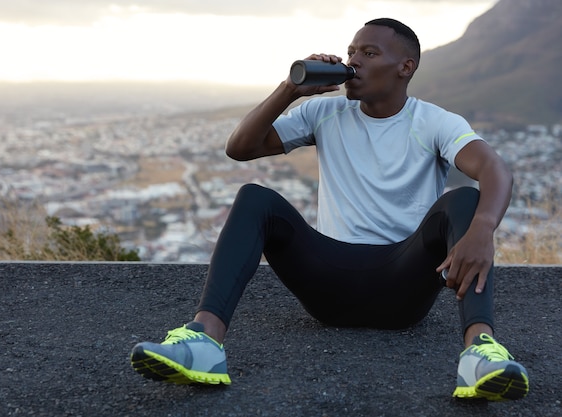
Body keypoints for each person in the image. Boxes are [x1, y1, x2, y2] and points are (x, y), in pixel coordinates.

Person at [130, 18, 529, 401]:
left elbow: (493, 169)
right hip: (328, 283)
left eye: (369, 53)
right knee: (255, 197)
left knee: (465, 201)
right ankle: (204, 340)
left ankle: (480, 354)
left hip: (402, 283)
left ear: (405, 67)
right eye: (351, 51)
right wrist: (290, 89)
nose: (353, 61)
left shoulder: (433, 121)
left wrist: (483, 229)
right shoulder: (324, 113)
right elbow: (241, 147)